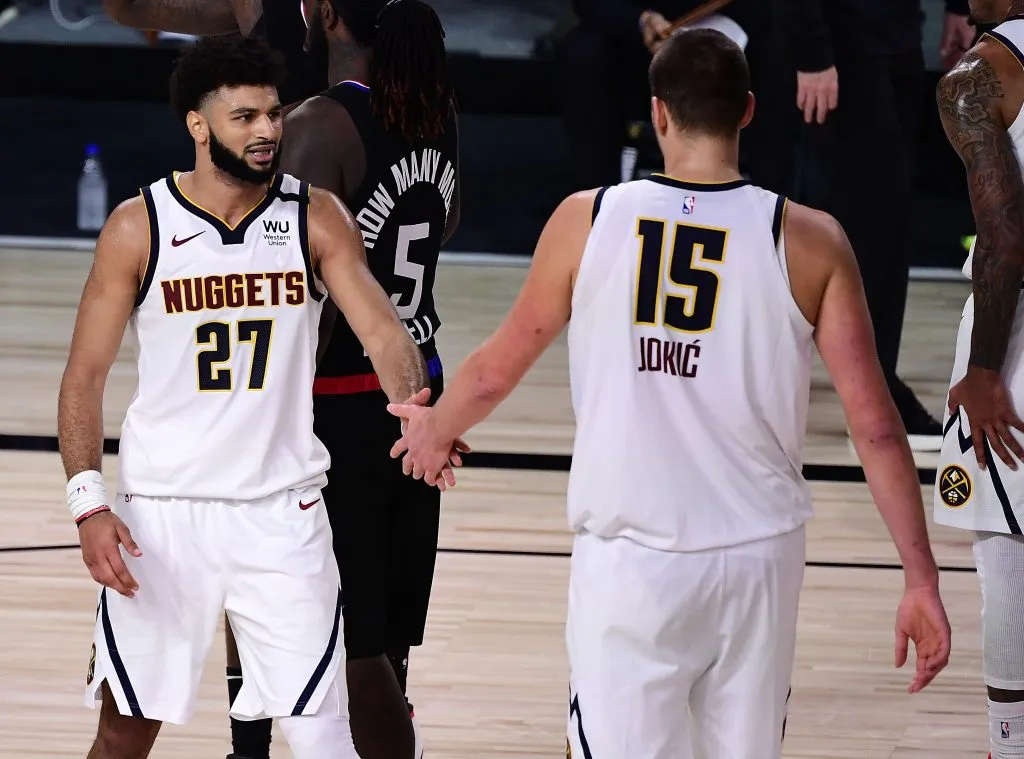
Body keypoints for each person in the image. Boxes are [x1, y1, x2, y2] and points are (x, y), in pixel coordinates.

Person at [387, 29, 952, 758]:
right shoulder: (811, 238)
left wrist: (432, 431)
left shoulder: (587, 217)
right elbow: (875, 427)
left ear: (657, 112)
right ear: (748, 110)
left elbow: (497, 369)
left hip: (632, 561)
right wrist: (921, 578)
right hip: (758, 558)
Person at [56, 33, 444, 759]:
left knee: (323, 736)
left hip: (281, 514)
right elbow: (84, 376)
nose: (267, 130)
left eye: (272, 114)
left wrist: (416, 410)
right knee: (124, 733)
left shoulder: (315, 216)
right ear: (198, 125)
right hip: (162, 516)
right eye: (244, 117)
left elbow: (384, 332)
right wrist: (88, 504)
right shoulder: (139, 226)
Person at [782, 0, 975, 451]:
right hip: (839, 47)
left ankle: (877, 387)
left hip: (897, 33)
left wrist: (957, 7)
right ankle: (872, 397)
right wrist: (812, 51)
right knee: (857, 223)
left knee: (889, 221)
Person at [934, 3, 1024, 757]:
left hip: (1015, 336)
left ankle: (1009, 743)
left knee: (1007, 552)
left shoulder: (980, 74)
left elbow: (1002, 233)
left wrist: (986, 367)